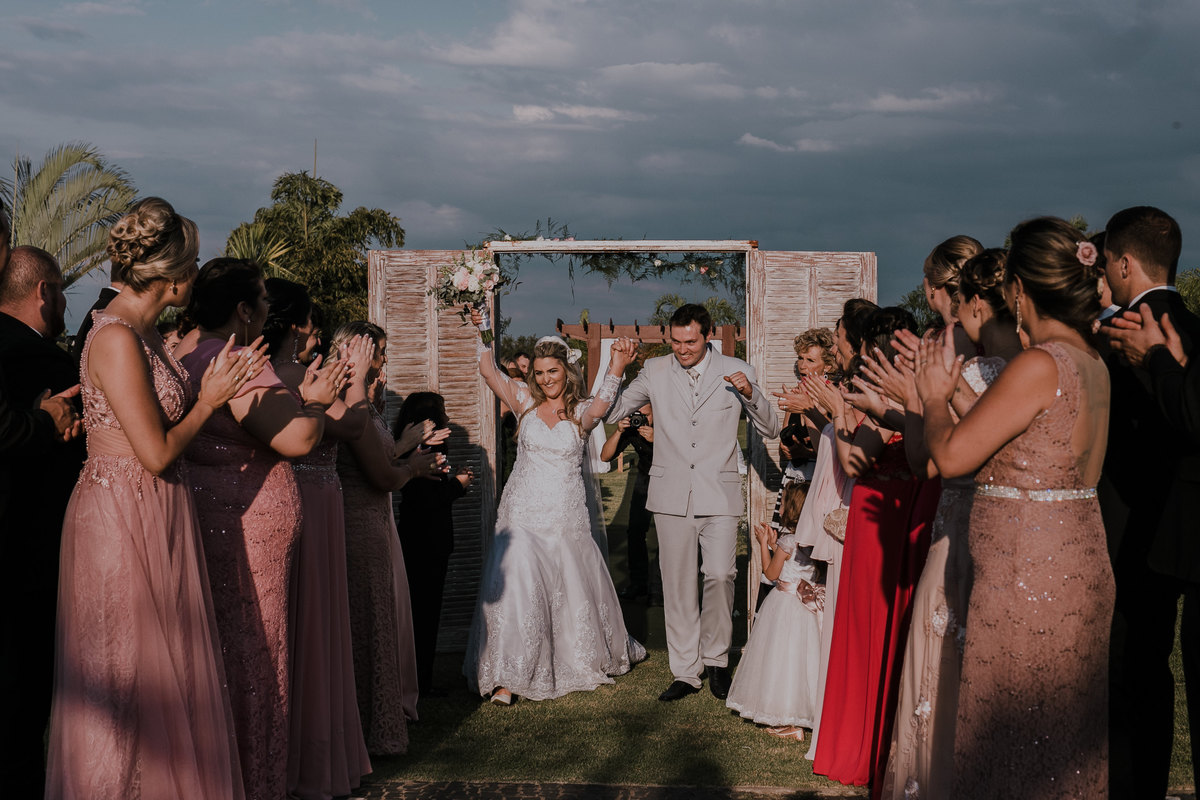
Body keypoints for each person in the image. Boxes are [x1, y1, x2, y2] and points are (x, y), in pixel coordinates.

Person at [45, 197, 258, 799]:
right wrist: (210, 401)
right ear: (173, 275)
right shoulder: (115, 336)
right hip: (119, 515)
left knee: (167, 677)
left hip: (159, 509)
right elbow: (159, 452)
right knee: (126, 679)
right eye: (193, 264)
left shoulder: (148, 332)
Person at [916, 215, 1113, 797]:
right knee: (1060, 740)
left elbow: (952, 457)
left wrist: (931, 398)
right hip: (1076, 559)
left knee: (1012, 735)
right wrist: (954, 388)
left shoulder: (1039, 363)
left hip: (1030, 573)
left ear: (1021, 290)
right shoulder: (1091, 362)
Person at [176, 258, 344, 800]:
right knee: (254, 655)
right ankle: (251, 782)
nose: (271, 312)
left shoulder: (178, 351)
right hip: (246, 528)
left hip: (197, 517)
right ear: (243, 310)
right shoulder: (240, 362)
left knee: (211, 652)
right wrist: (315, 404)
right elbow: (294, 440)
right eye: (265, 301)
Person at [862, 249, 1018, 799]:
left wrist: (919, 398)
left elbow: (927, 462)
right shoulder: (1043, 364)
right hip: (1019, 542)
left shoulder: (961, 368)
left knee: (941, 668)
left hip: (958, 532)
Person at [464, 319, 646, 704]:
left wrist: (617, 365)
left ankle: (568, 658)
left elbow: (605, 404)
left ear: (567, 372)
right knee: (516, 586)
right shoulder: (523, 402)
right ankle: (507, 677)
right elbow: (487, 369)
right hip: (522, 513)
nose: (546, 379)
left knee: (566, 591)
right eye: (541, 372)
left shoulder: (581, 412)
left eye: (553, 372)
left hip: (564, 513)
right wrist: (483, 324)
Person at [607, 303, 780, 701]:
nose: (682, 349)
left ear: (708, 335)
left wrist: (751, 395)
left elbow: (771, 427)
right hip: (669, 495)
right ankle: (686, 671)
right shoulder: (654, 371)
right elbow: (614, 410)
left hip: (718, 493)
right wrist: (616, 369)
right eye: (676, 341)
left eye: (690, 341)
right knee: (678, 584)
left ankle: (717, 661)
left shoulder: (738, 370)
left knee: (721, 575)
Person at [810, 307, 939, 797]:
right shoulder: (912, 395)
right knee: (888, 628)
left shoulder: (886, 396)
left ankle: (860, 746)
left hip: (876, 512)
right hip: (901, 507)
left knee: (868, 627)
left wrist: (840, 412)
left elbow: (854, 461)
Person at [1097, 206, 1200, 799]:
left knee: (1122, 676)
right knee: (1154, 675)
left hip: (1119, 527)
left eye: (1108, 261)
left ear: (1125, 262)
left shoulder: (1117, 337)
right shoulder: (1198, 327)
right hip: (1178, 530)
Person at [263, 278, 375, 800]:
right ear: (293, 326)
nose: (317, 330)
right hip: (308, 501)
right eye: (310, 320)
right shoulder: (287, 374)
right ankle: (311, 759)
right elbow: (352, 428)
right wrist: (359, 376)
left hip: (314, 497)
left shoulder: (282, 371)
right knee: (313, 623)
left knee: (307, 620)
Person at [0, 245, 87, 798]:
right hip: (25, 546)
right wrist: (48, 420)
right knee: (21, 698)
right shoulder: (49, 364)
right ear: (44, 293)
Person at [335, 321, 442, 752]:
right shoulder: (346, 397)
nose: (382, 361)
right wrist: (413, 467)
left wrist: (403, 447)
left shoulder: (363, 399)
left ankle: (373, 716)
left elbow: (378, 457)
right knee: (366, 619)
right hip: (356, 519)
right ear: (355, 351)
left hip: (375, 518)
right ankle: (364, 724)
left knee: (377, 617)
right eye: (378, 351)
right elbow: (378, 475)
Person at [395, 391, 473, 698]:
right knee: (423, 617)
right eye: (443, 412)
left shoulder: (415, 447)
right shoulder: (422, 450)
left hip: (422, 541)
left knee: (423, 616)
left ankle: (421, 681)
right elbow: (426, 501)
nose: (448, 418)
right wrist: (459, 485)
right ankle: (420, 684)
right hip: (425, 543)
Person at [725, 517, 824, 741]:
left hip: (785, 607)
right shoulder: (816, 539)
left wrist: (762, 544)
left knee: (782, 660)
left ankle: (789, 720)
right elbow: (793, 564)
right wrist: (774, 545)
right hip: (807, 609)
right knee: (804, 660)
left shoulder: (788, 541)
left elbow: (771, 574)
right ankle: (809, 712)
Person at [599, 402, 656, 601]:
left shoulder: (668, 420)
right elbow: (605, 456)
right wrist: (618, 431)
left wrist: (657, 439)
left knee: (672, 533)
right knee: (635, 530)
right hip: (645, 476)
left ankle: (665, 588)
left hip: (672, 478)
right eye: (635, 413)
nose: (640, 418)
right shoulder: (632, 427)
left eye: (645, 414)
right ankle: (638, 585)